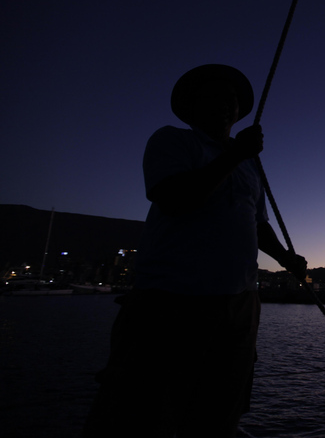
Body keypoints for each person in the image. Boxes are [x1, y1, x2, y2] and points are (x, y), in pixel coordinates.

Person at [84, 64, 307, 437]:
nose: (225, 105)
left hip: (240, 303)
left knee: (221, 408)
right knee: (144, 411)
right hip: (171, 301)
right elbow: (173, 199)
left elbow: (255, 222)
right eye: (213, 98)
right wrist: (235, 156)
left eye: (231, 100)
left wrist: (286, 258)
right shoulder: (173, 140)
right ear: (191, 107)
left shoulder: (247, 163)